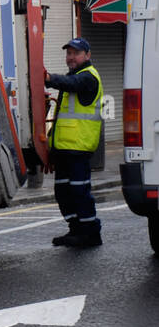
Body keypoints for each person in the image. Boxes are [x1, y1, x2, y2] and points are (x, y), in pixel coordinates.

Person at [44, 37, 104, 248]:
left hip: (79, 148)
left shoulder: (87, 78)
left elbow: (72, 84)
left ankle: (91, 233)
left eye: (75, 53)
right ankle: (76, 229)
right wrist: (52, 150)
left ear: (87, 55)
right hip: (64, 149)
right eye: (68, 53)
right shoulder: (74, 77)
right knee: (63, 192)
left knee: (79, 191)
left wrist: (48, 78)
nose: (70, 57)